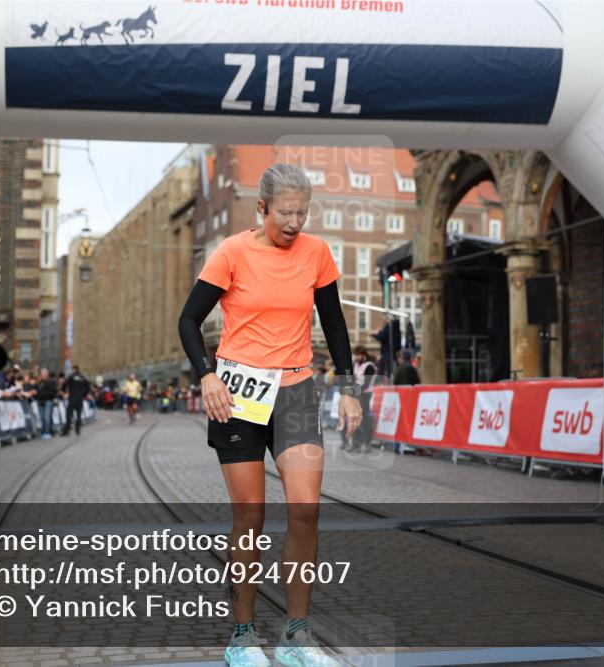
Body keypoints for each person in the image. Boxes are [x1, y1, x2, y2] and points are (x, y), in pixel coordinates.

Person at [178, 163, 359, 667]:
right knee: (251, 516)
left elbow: (334, 321)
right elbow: (189, 319)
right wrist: (207, 374)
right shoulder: (232, 252)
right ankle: (242, 637)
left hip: (296, 389)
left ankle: (297, 639)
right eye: (286, 213)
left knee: (305, 509)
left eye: (302, 212)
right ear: (262, 208)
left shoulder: (316, 253)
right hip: (236, 394)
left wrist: (347, 387)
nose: (295, 222)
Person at [343, 346, 377, 453]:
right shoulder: (355, 364)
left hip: (365, 395)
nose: (356, 357)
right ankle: (355, 443)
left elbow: (366, 383)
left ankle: (366, 443)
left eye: (358, 355)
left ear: (364, 355)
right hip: (357, 394)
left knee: (364, 420)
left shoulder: (369, 366)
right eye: (355, 355)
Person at [61, 365, 91, 436]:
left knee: (69, 415)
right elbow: (88, 387)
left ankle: (66, 430)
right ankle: (78, 430)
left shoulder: (71, 377)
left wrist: (65, 392)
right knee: (79, 415)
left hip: (72, 398)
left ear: (74, 369)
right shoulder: (83, 377)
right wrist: (83, 395)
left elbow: (64, 385)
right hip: (79, 399)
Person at [36, 368, 58, 439]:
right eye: (42, 374)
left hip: (48, 401)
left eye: (44, 374)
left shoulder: (51, 381)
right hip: (40, 401)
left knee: (47, 417)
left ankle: (47, 432)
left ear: (47, 374)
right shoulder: (40, 383)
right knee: (42, 417)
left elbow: (53, 392)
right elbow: (37, 391)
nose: (43, 375)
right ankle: (44, 431)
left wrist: (46, 395)